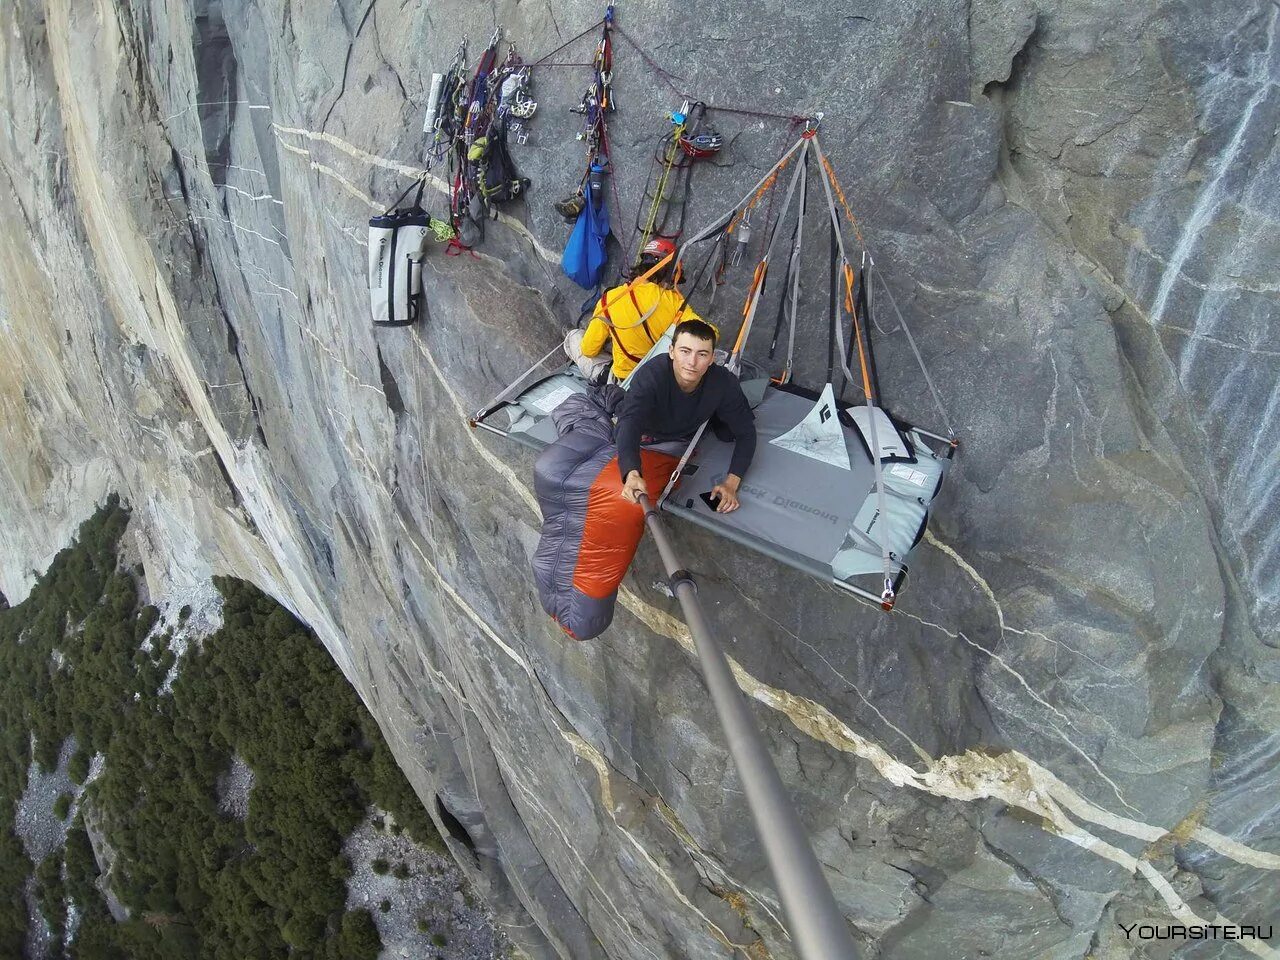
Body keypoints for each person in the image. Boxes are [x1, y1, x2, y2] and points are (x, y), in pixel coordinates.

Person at [615, 318, 756, 513]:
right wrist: (631, 473)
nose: (692, 362)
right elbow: (629, 422)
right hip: (649, 435)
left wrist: (731, 484)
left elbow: (746, 432)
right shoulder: (652, 376)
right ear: (671, 351)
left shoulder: (722, 383)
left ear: (712, 358)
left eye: (702, 354)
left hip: (689, 433)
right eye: (685, 351)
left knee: (727, 432)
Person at [564, 237, 702, 382]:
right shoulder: (674, 302)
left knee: (574, 336)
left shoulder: (610, 299)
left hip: (625, 382)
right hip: (658, 381)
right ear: (669, 274)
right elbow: (709, 334)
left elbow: (588, 350)